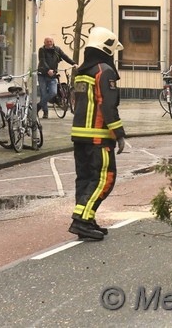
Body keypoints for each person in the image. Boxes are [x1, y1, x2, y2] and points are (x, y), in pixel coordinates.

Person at [69, 27, 126, 241]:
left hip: (79, 135)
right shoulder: (104, 71)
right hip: (98, 137)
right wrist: (118, 133)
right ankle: (81, 220)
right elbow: (107, 105)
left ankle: (87, 218)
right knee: (105, 178)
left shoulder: (83, 72)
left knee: (85, 179)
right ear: (106, 48)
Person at [38, 36, 76, 119]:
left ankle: (38, 105)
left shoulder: (57, 49)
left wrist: (73, 63)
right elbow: (42, 60)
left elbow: (65, 57)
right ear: (44, 43)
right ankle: (45, 112)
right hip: (42, 75)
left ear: (53, 42)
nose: (49, 43)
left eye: (50, 41)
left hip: (53, 76)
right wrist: (48, 70)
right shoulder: (42, 50)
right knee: (43, 93)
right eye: (47, 41)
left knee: (53, 92)